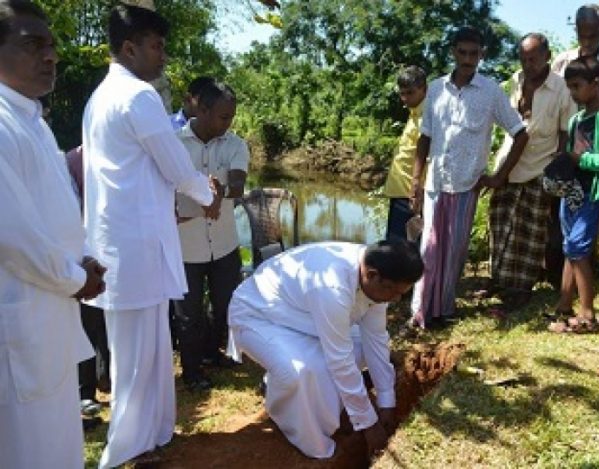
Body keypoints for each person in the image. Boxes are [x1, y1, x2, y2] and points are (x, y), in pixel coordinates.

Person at [82, 5, 221, 467]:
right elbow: (177, 165)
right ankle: (131, 446)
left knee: (149, 347)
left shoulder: (100, 97)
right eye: (156, 46)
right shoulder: (138, 97)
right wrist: (208, 194)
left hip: (121, 239)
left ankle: (156, 431)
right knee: (139, 354)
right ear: (129, 47)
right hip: (135, 242)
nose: (163, 56)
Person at [0, 1, 106, 467]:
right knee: (28, 448)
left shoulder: (33, 121)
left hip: (51, 312)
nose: (51, 57)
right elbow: (12, 236)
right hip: (23, 319)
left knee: (59, 442)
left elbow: (60, 206)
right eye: (32, 45)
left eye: (52, 46)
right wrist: (74, 277)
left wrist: (83, 258)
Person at [227, 240, 423, 458]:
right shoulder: (332, 287)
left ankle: (335, 410)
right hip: (259, 316)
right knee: (299, 373)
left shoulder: (376, 275)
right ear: (372, 274)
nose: (396, 299)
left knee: (358, 349)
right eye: (393, 291)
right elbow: (340, 361)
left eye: (402, 293)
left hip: (302, 316)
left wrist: (386, 401)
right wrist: (369, 424)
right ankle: (303, 433)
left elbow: (375, 339)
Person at [408, 26, 529, 328]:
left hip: (467, 185)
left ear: (481, 55)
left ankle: (444, 310)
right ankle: (419, 313)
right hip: (436, 182)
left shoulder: (491, 92)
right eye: (462, 52)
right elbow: (425, 137)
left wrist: (498, 176)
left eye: (473, 54)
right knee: (429, 248)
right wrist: (416, 181)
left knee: (454, 253)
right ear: (453, 52)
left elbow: (520, 133)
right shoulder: (436, 88)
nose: (467, 59)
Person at [488, 33, 576, 311]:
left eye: (534, 59)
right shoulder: (515, 80)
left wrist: (556, 167)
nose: (529, 64)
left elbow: (566, 132)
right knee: (501, 225)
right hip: (507, 164)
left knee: (530, 231)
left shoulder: (561, 89)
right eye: (524, 59)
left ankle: (521, 288)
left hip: (540, 166)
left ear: (547, 56)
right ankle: (500, 280)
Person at [175, 81, 248, 391]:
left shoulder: (235, 144)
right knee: (188, 314)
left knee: (227, 305)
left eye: (231, 116)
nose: (227, 123)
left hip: (224, 245)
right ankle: (191, 372)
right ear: (201, 109)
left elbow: (238, 184)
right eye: (222, 116)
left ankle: (213, 354)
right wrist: (205, 199)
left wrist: (219, 192)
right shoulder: (174, 145)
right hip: (184, 246)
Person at [548, 56, 599, 333]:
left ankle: (587, 312)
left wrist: (583, 160)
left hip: (591, 191)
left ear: (596, 84)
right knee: (570, 245)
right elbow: (571, 153)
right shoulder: (576, 120)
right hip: (571, 190)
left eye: (577, 86)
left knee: (579, 247)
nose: (573, 92)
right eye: (569, 86)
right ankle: (564, 303)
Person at [64, 145, 111, 427]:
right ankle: (85, 392)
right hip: (83, 255)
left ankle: (108, 376)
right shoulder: (72, 161)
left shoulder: (116, 157)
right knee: (88, 325)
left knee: (108, 324)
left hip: (111, 252)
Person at [382, 66, 427, 242]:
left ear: (424, 88)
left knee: (402, 253)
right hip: (399, 193)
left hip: (410, 196)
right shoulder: (414, 113)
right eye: (402, 93)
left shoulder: (427, 118)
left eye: (410, 93)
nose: (405, 98)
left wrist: (418, 193)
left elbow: (429, 158)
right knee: (395, 250)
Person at [553, 4, 599, 112]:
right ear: (576, 31)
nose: (587, 43)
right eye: (582, 36)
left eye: (592, 36)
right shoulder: (561, 62)